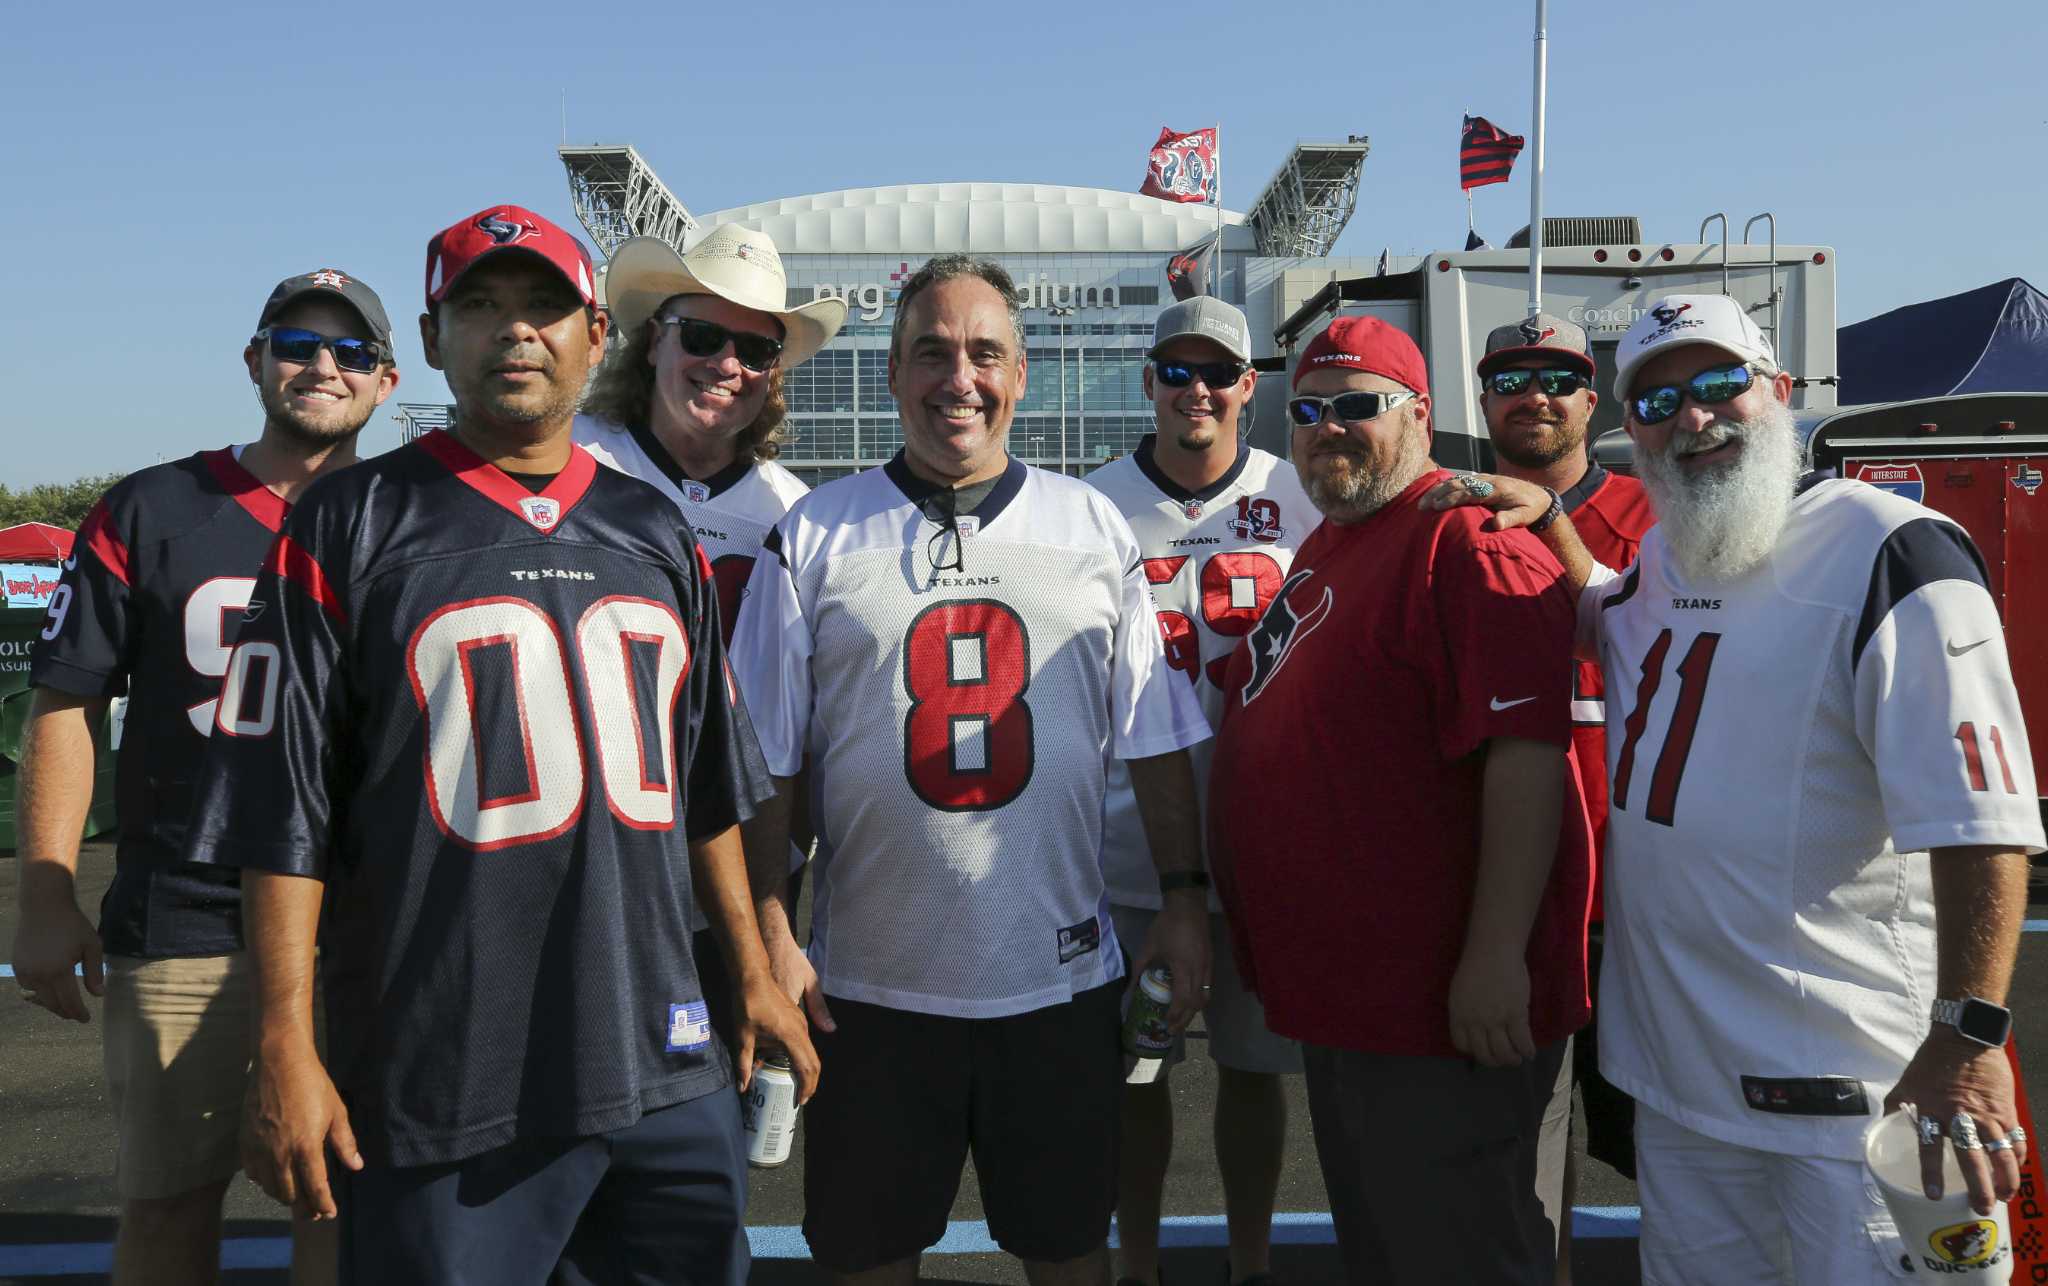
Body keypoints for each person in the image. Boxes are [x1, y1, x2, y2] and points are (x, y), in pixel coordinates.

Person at [182, 204, 817, 1286]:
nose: (515, 331)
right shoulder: (351, 521)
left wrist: (753, 970)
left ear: (594, 338)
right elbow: (284, 812)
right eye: (481, 306)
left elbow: (707, 784)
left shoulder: (651, 529)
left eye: (543, 308)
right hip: (447, 1070)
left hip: (661, 1059)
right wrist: (284, 1037)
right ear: (431, 341)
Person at [1425, 293, 2043, 1285]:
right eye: (1658, 399)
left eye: (1718, 384)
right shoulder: (1668, 557)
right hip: (1684, 1093)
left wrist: (1967, 1036)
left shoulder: (1887, 549)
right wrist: (1546, 518)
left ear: (1780, 392)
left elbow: (1981, 825)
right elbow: (1609, 610)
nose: (1691, 416)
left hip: (1856, 1098)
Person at [728, 254, 1213, 1286]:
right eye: (933, 353)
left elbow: (1152, 730)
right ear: (893, 373)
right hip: (867, 991)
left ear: (1021, 374)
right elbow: (763, 761)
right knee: (867, 1256)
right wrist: (770, 931)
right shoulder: (813, 532)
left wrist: (1181, 897)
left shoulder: (1089, 528)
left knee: (1067, 1249)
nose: (961, 377)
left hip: (1055, 982)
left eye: (984, 352)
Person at [11, 267, 398, 1286]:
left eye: (350, 351)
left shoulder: (409, 516)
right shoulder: (150, 507)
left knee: (342, 1195)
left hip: (365, 921)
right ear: (254, 360)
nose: (322, 365)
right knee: (167, 1206)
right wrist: (46, 888)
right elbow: (66, 705)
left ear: (386, 382)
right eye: (296, 343)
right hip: (185, 910)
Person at [1208, 315, 1593, 1285]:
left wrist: (1495, 953)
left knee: (1459, 1254)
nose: (1327, 427)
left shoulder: (1464, 541)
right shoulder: (1337, 541)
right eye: (1306, 409)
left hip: (1439, 1019)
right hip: (1357, 1009)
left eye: (1355, 406)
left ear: (1419, 415)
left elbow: (1527, 750)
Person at [1085, 296, 1319, 1286]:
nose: (1196, 390)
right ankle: (1134, 1261)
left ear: (1246, 386)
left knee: (1255, 1071)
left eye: (1215, 372)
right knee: (1135, 1070)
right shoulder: (1091, 506)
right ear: (1147, 382)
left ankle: (1250, 1259)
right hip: (1131, 844)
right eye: (1175, 371)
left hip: (1264, 842)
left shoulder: (1302, 490)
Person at [576, 223, 848, 1046]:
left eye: (756, 350)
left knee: (718, 1117)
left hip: (738, 854)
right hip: (589, 846)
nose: (727, 364)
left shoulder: (791, 511)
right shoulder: (574, 465)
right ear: (653, 340)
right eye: (702, 334)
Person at [1473, 314, 1653, 1285]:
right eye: (1509, 375)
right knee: (1518, 1176)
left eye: (1555, 375)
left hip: (1642, 900)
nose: (1531, 393)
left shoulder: (1655, 508)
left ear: (1593, 398)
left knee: (1670, 1158)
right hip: (1518, 898)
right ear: (1481, 397)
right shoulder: (1450, 519)